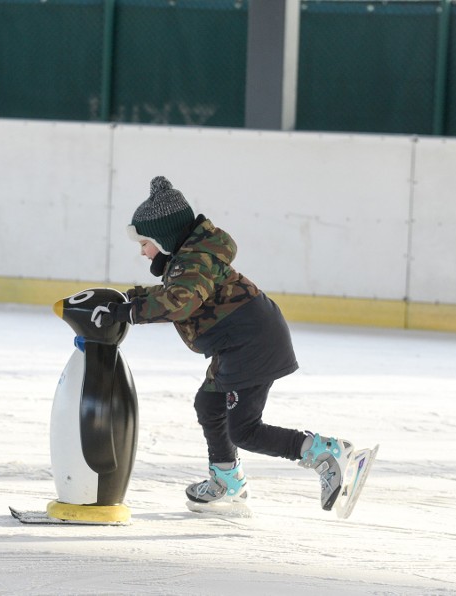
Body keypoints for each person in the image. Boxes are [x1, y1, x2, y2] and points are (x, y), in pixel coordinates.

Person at [90, 176, 356, 513]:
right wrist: (129, 298)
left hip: (251, 345)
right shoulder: (187, 259)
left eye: (145, 242)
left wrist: (127, 311)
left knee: (244, 429)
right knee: (210, 405)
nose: (142, 251)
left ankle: (322, 451)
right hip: (240, 342)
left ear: (164, 238)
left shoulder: (193, 262)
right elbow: (174, 291)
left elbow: (178, 303)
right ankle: (228, 480)